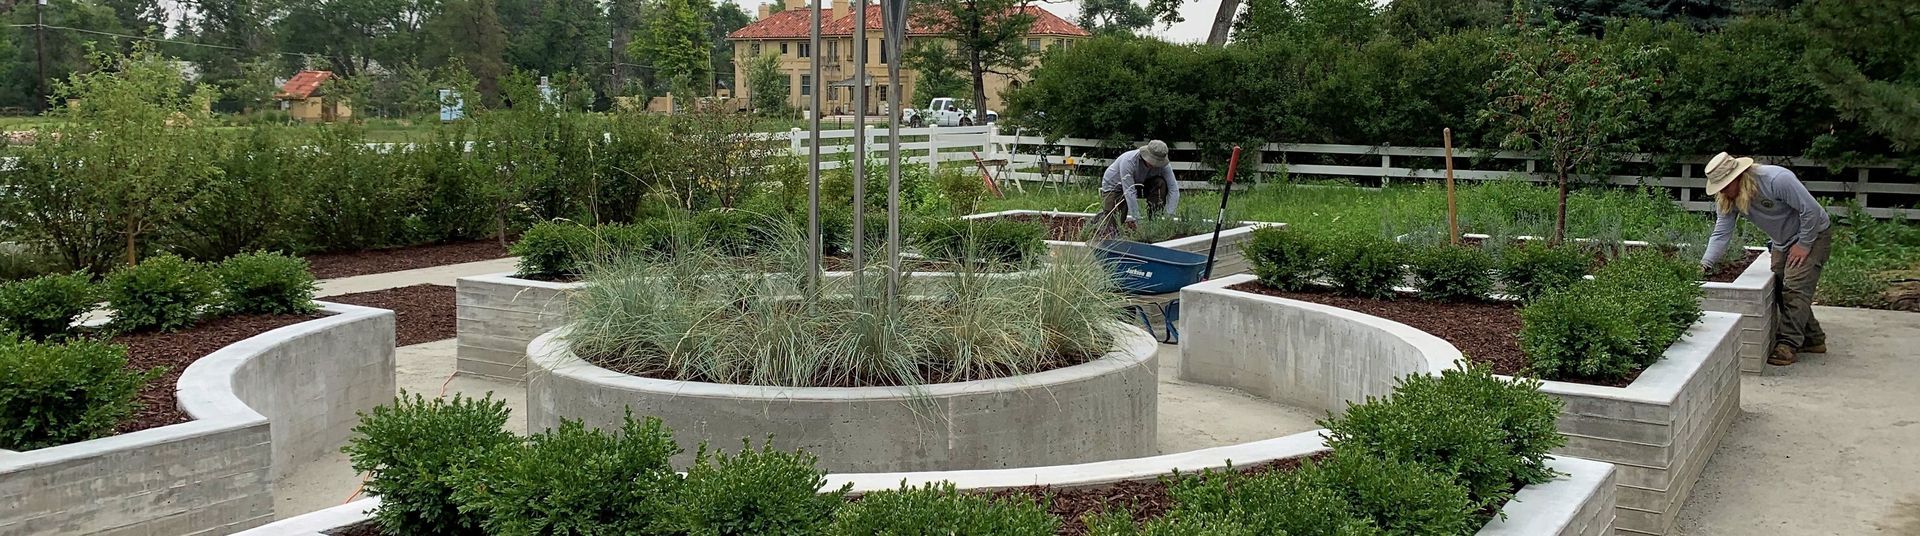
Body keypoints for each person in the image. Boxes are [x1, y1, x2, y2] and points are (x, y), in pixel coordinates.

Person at [1701, 152, 1832, 366]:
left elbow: (1811, 211)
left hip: (1814, 234)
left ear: (1738, 177)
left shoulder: (1777, 179)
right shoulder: (1727, 198)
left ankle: (1788, 344)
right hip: (1783, 241)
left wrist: (1804, 244)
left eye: (1724, 185)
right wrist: (1705, 264)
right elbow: (1721, 233)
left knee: (1795, 288)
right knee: (1781, 288)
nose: (1722, 191)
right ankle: (1813, 339)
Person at [1092, 140, 1180, 237]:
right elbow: (1129, 192)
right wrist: (1138, 222)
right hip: (1116, 186)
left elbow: (1174, 189)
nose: (1155, 165)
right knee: (1114, 227)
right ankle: (1100, 218)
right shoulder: (1129, 161)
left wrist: (1169, 217)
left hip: (1141, 183)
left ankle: (1154, 221)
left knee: (1160, 183)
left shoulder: (1164, 165)